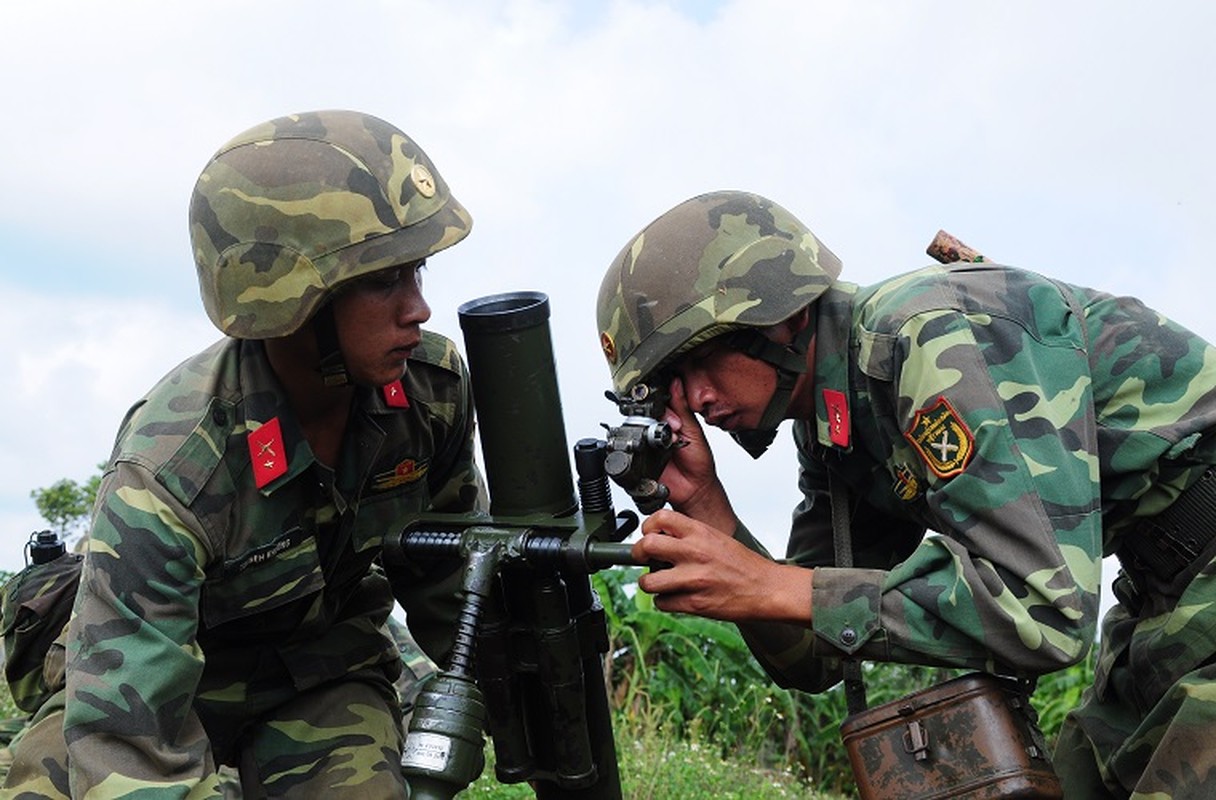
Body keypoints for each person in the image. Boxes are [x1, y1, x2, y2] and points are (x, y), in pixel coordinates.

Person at [595, 189, 1216, 798]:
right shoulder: (836, 422)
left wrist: (779, 586)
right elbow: (812, 655)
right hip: (1164, 597)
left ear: (778, 315)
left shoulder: (920, 334)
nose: (695, 400)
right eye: (671, 388)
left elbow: (1045, 613)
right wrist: (706, 505)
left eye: (698, 360)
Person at [3, 109, 486, 799]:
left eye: (417, 272)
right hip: (161, 682)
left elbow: (455, 589)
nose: (419, 309)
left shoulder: (429, 395)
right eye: (383, 282)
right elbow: (131, 736)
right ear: (296, 300)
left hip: (321, 675)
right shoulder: (172, 468)